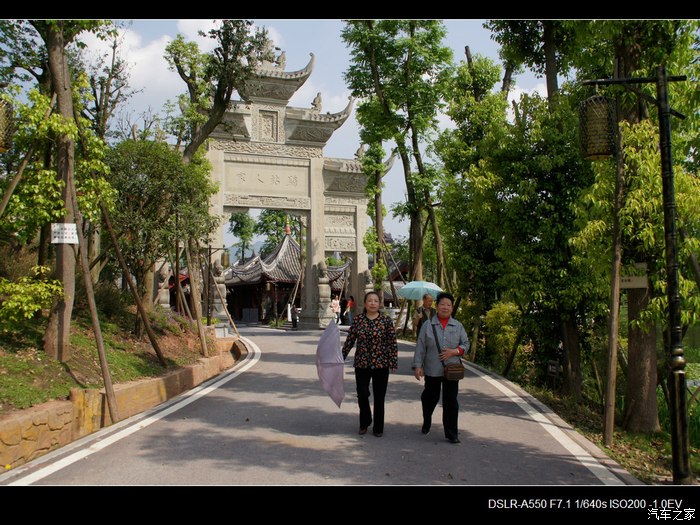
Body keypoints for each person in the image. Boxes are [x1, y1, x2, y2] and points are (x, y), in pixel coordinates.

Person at [412, 291, 469, 444]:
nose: (445, 307)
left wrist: (454, 352)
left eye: (448, 305)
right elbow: (421, 346)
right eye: (442, 304)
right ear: (437, 306)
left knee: (451, 401)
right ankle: (427, 418)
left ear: (452, 308)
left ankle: (452, 433)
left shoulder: (458, 326)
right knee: (430, 397)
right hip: (432, 369)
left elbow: (465, 344)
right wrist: (418, 365)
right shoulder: (427, 325)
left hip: (452, 370)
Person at [342, 291, 398, 437]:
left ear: (379, 303)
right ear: (365, 304)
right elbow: (350, 340)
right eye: (370, 301)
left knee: (379, 397)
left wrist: (393, 361)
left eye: (375, 301)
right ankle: (365, 421)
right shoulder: (358, 320)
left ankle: (378, 427)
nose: (373, 303)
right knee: (362, 393)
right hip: (362, 363)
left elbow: (392, 342)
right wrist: (341, 356)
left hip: (381, 364)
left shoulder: (386, 321)